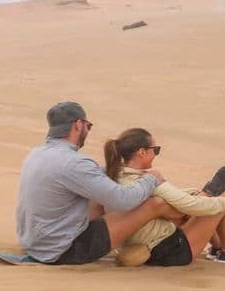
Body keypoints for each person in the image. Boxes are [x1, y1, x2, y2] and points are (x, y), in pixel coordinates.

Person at [16, 102, 180, 265]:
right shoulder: (75, 163)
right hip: (63, 250)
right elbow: (123, 200)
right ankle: (179, 235)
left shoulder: (36, 154)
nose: (87, 131)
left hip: (34, 244)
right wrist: (151, 179)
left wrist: (115, 169)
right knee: (154, 204)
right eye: (88, 126)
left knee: (97, 197)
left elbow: (78, 175)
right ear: (78, 125)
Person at [100, 128, 225, 266]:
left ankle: (217, 247)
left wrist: (193, 194)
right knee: (220, 202)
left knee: (188, 205)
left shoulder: (113, 177)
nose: (156, 154)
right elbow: (193, 206)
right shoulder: (148, 181)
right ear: (142, 152)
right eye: (156, 150)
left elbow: (175, 199)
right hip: (171, 249)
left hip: (143, 245)